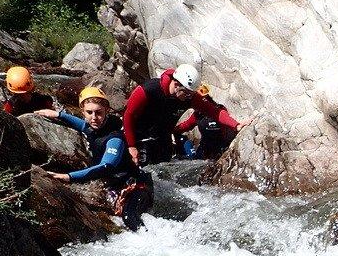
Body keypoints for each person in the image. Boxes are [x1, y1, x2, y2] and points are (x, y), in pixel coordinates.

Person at [32, 86, 153, 232]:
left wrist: (69, 177)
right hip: (116, 185)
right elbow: (82, 125)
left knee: (129, 218)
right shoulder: (92, 126)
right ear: (82, 111)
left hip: (136, 186)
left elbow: (106, 167)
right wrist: (59, 115)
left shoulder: (115, 138)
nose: (94, 117)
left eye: (99, 113)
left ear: (106, 111)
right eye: (89, 112)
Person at [123, 64, 250, 166]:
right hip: (139, 136)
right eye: (187, 93)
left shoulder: (190, 97)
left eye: (191, 94)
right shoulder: (148, 90)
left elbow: (214, 112)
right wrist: (131, 146)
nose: (189, 97)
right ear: (177, 85)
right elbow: (128, 115)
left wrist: (236, 125)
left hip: (162, 138)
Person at [173, 86, 238, 160]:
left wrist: (237, 126)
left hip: (220, 147)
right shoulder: (197, 114)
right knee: (184, 141)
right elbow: (186, 125)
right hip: (205, 150)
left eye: (205, 98)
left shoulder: (219, 110)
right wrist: (172, 130)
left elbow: (227, 121)